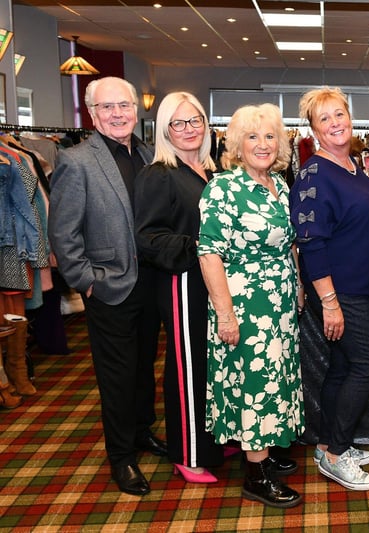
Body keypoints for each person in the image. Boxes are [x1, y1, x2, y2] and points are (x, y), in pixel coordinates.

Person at [48, 76, 166, 496]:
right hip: (109, 288)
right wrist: (87, 283)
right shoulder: (75, 160)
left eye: (124, 106)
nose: (117, 114)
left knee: (143, 369)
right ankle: (122, 457)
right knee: (116, 376)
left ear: (136, 109)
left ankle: (141, 432)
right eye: (107, 107)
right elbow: (62, 234)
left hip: (152, 285)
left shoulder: (152, 155)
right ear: (92, 114)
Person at [198, 103, 303, 508]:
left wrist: (297, 289)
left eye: (270, 136)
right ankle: (255, 477)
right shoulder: (223, 187)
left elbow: (289, 243)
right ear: (237, 145)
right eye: (252, 136)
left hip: (278, 303)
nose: (262, 144)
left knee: (276, 379)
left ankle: (267, 455)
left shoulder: (280, 183)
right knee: (254, 385)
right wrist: (225, 313)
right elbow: (209, 253)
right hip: (243, 302)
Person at [290, 87, 369, 492]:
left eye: (339, 114)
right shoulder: (315, 174)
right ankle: (336, 453)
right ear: (313, 130)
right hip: (338, 289)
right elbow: (311, 242)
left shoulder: (354, 167)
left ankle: (329, 443)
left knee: (344, 367)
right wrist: (330, 303)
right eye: (324, 119)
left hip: (359, 285)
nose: (335, 123)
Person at [135, 92, 224, 483]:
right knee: (188, 368)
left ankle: (212, 440)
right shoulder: (158, 174)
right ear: (165, 129)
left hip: (214, 282)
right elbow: (148, 237)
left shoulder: (212, 171)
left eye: (195, 121)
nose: (189, 129)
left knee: (212, 365)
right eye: (179, 122)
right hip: (182, 281)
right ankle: (187, 453)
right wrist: (201, 247)